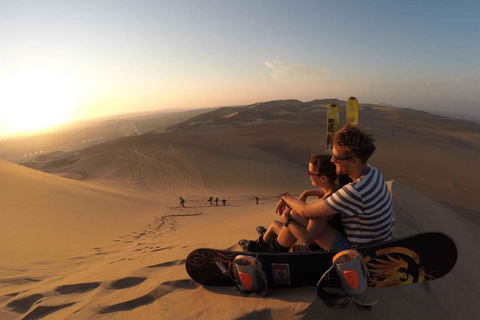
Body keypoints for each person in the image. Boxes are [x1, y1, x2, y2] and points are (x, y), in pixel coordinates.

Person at [275, 124, 394, 250]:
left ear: (354, 161)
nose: (332, 160)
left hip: (358, 250)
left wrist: (285, 197)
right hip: (379, 241)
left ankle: (274, 249)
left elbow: (306, 211)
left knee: (294, 215)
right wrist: (307, 193)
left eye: (337, 157)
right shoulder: (372, 172)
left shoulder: (355, 190)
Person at [239, 154, 346, 252]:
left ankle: (269, 249)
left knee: (293, 215)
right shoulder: (334, 190)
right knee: (275, 224)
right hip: (326, 239)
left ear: (323, 178)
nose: (308, 176)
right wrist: (306, 193)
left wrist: (287, 220)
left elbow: (307, 238)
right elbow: (323, 191)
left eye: (310, 173)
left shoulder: (324, 206)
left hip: (326, 246)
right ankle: (262, 243)